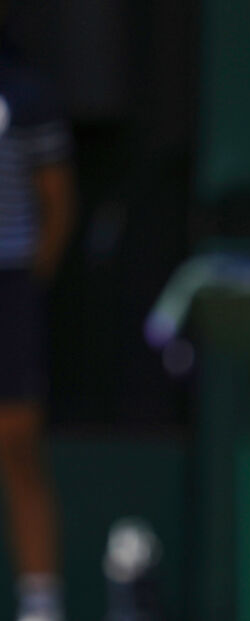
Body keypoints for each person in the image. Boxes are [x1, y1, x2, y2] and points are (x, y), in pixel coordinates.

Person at [0, 5, 74, 620]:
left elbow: (57, 202)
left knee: (17, 445)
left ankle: (39, 604)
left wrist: (25, 284)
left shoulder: (26, 95)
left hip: (11, 290)